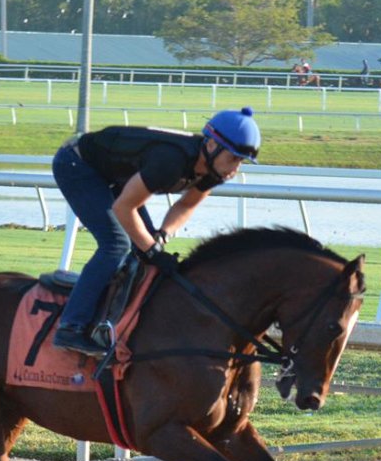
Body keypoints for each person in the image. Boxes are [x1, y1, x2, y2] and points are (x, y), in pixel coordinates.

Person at [51, 107, 261, 356]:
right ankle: (71, 327)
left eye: (241, 161)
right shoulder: (170, 161)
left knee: (144, 249)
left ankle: (115, 323)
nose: (235, 168)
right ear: (213, 146)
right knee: (116, 245)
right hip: (78, 164)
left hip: (114, 175)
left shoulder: (214, 170)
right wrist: (151, 249)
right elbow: (124, 207)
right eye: (234, 158)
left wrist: (162, 236)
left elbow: (186, 205)